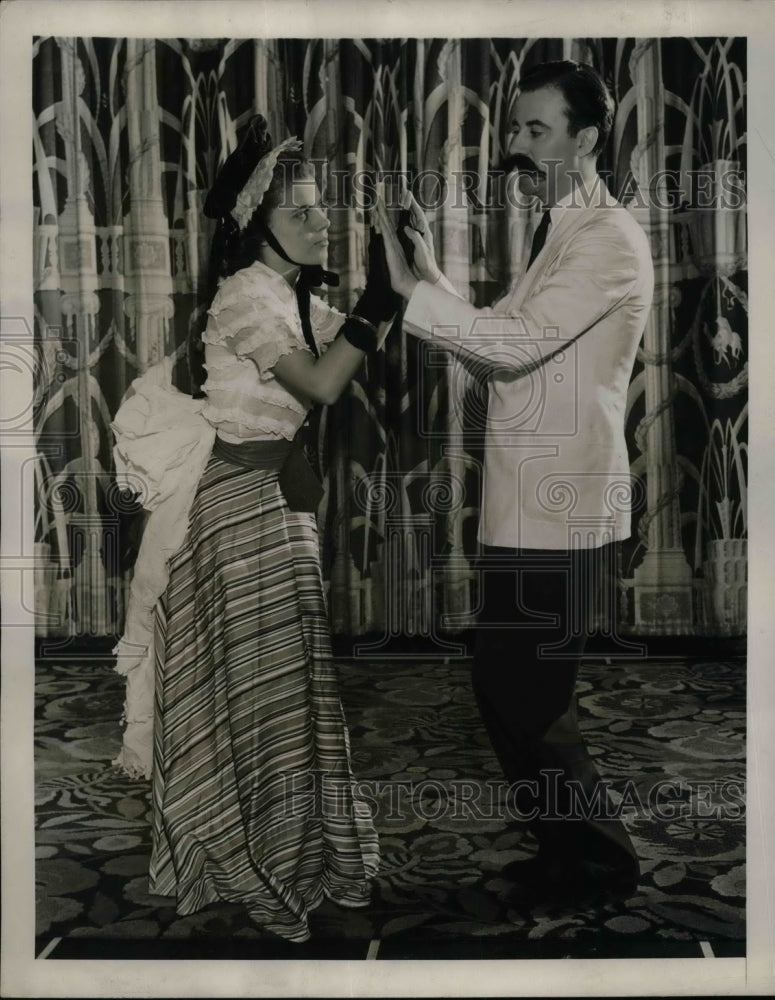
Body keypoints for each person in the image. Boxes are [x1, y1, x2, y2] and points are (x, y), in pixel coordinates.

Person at [376, 60, 654, 908]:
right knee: (505, 692)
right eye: (514, 129)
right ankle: (567, 855)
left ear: (586, 139)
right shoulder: (559, 231)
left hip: (559, 507)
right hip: (527, 504)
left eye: (537, 130)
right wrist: (427, 275)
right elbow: (500, 335)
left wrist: (405, 293)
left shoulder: (606, 237)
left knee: (527, 698)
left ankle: (600, 866)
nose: (517, 146)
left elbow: (509, 346)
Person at [116, 115, 397, 943]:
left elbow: (356, 342)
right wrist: (379, 300)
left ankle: (308, 852)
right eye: (300, 212)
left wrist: (399, 283)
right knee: (258, 691)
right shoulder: (247, 294)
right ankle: (252, 858)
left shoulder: (290, 294)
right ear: (255, 226)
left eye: (320, 210)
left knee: (288, 689)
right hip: (239, 514)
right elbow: (319, 383)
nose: (319, 223)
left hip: (281, 509)